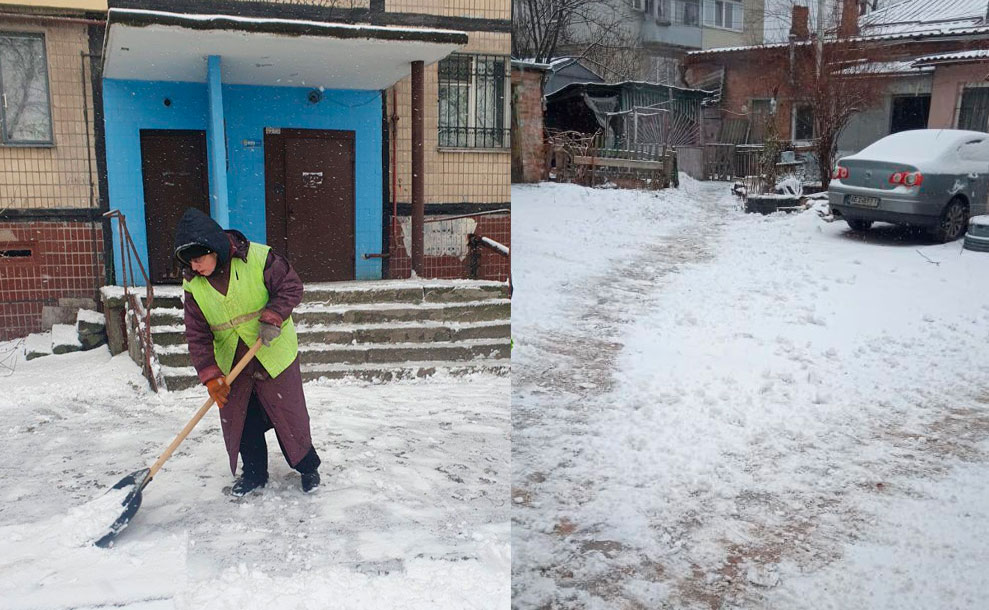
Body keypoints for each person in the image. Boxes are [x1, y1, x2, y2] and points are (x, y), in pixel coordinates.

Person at [173, 208, 320, 496]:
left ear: (214, 249)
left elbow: (291, 287)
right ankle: (254, 474)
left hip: (272, 350)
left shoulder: (259, 258)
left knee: (288, 415)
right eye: (189, 261)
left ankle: (307, 467)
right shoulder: (193, 283)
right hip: (232, 359)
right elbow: (197, 333)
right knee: (242, 419)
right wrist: (210, 374)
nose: (194, 266)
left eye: (199, 259)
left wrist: (274, 315)